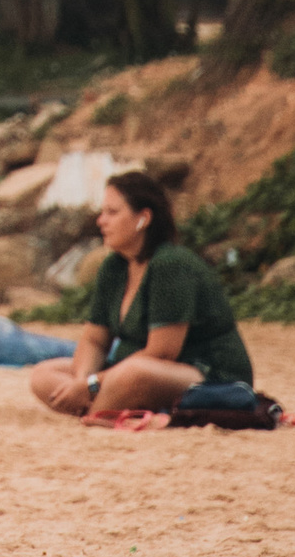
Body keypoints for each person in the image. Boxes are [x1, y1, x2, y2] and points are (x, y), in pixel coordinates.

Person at [30, 168, 252, 419]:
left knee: (135, 374)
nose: (101, 220)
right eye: (103, 212)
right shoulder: (114, 267)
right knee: (43, 374)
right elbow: (94, 339)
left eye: (112, 213)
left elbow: (162, 353)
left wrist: (91, 385)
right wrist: (81, 382)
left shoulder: (171, 265)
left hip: (205, 374)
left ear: (143, 218)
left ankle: (100, 411)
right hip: (126, 372)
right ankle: (104, 408)